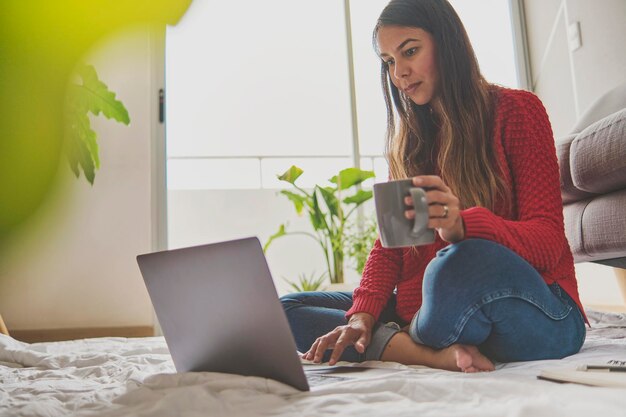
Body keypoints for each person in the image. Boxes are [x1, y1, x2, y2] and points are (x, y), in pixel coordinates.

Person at [280, 0, 587, 373]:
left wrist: (464, 227)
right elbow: (390, 245)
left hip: (542, 313)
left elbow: (548, 242)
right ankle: (430, 353)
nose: (399, 73)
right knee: (285, 309)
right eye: (389, 61)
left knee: (457, 263)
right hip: (432, 310)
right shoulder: (412, 141)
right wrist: (361, 315)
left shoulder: (517, 110)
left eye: (410, 51)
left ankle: (399, 340)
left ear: (447, 43)